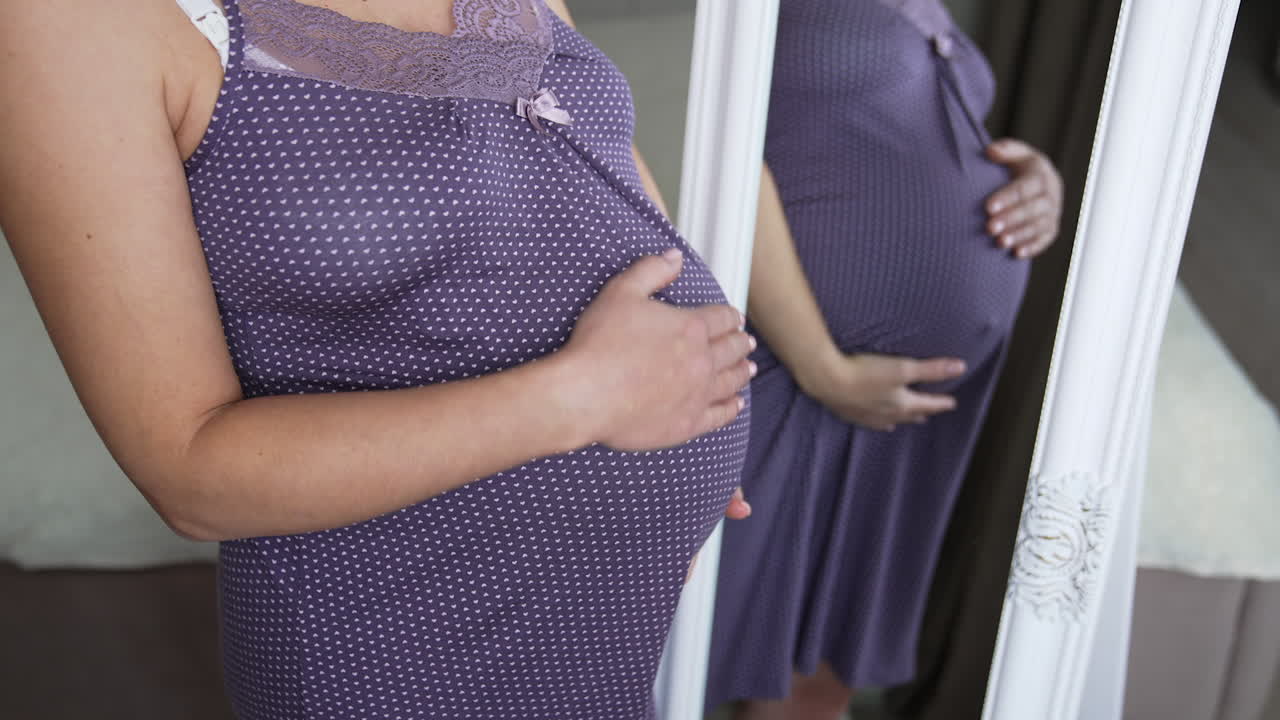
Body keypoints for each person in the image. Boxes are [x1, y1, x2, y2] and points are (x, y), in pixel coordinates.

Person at [0, 0, 753, 717]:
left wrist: (690, 388)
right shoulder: (72, 20)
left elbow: (601, 167)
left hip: (602, 615)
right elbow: (187, 472)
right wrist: (589, 399)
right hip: (400, 642)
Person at [706, 1, 1063, 718]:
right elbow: (722, 148)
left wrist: (1036, 185)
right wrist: (823, 368)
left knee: (822, 669)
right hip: (781, 368)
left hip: (897, 417)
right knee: (695, 649)